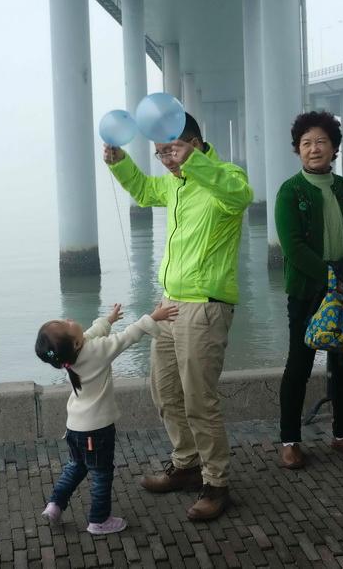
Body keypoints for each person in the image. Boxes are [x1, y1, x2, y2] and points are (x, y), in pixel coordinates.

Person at [103, 113, 253, 521]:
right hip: (169, 304)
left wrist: (194, 162)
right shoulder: (175, 183)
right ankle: (186, 464)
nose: (167, 160)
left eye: (171, 150)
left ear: (194, 143)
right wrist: (120, 162)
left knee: (200, 399)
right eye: (160, 154)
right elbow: (144, 190)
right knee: (165, 390)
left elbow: (240, 196)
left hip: (205, 305)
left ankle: (216, 483)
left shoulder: (225, 175)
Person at [274, 110, 343, 469]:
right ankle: (290, 441)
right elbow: (293, 247)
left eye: (321, 142)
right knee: (299, 366)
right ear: (297, 150)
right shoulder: (290, 192)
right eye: (306, 143)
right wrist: (332, 276)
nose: (313, 148)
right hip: (307, 291)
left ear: (334, 148)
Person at [36, 301, 179, 534]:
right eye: (65, 324)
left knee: (76, 467)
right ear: (75, 343)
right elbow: (126, 337)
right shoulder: (96, 351)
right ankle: (99, 521)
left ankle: (54, 505)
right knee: (102, 473)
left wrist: (108, 320)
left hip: (75, 428)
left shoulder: (68, 357)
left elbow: (91, 334)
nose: (69, 319)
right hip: (96, 430)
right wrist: (153, 317)